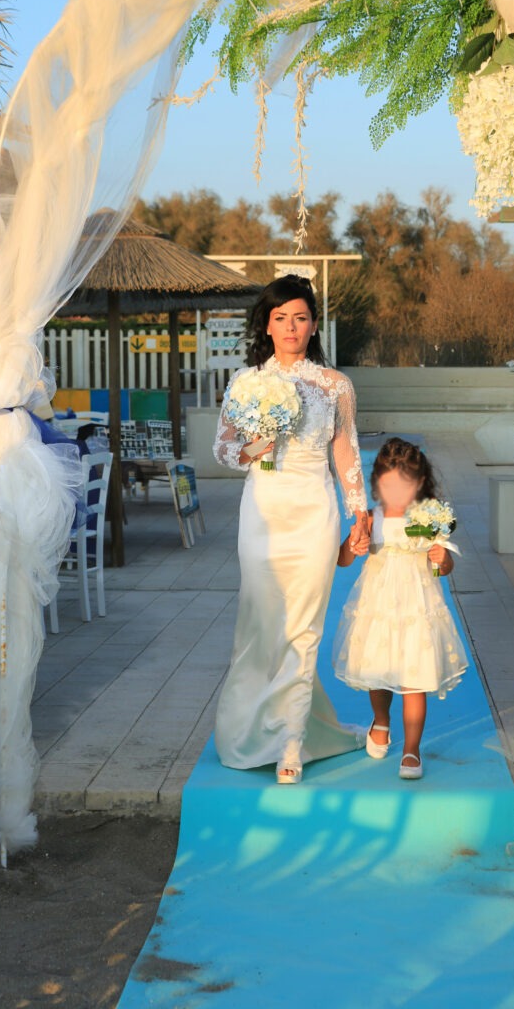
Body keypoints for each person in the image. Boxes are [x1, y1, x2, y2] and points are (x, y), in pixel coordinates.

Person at [213, 274, 369, 783]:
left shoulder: (334, 385)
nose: (290, 327)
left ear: (313, 324)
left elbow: (344, 450)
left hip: (313, 513)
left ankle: (292, 742)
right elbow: (225, 450)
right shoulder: (244, 381)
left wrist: (359, 512)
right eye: (280, 318)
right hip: (262, 514)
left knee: (303, 630)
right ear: (267, 324)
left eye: (300, 317)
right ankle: (254, 727)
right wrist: (260, 443)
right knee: (262, 624)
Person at [333, 437, 468, 780]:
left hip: (416, 609)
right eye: (389, 485)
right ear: (377, 483)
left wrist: (442, 558)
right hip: (378, 607)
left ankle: (411, 748)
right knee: (378, 670)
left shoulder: (429, 518)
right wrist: (354, 542)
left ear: (420, 484)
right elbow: (343, 559)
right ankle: (381, 721)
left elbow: (443, 566)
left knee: (414, 678)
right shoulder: (371, 517)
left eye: (404, 486)